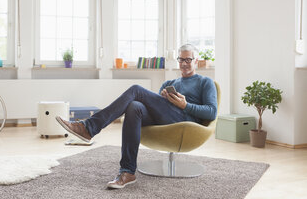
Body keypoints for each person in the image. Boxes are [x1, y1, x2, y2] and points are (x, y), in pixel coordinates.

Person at [56, 44, 217, 189]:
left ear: (196, 61)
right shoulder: (171, 83)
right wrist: (162, 98)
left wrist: (185, 105)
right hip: (165, 119)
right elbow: (153, 108)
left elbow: (212, 112)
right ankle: (127, 172)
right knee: (134, 107)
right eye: (181, 59)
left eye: (188, 60)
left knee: (136, 90)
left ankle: (89, 127)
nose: (183, 63)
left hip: (186, 121)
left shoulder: (205, 82)